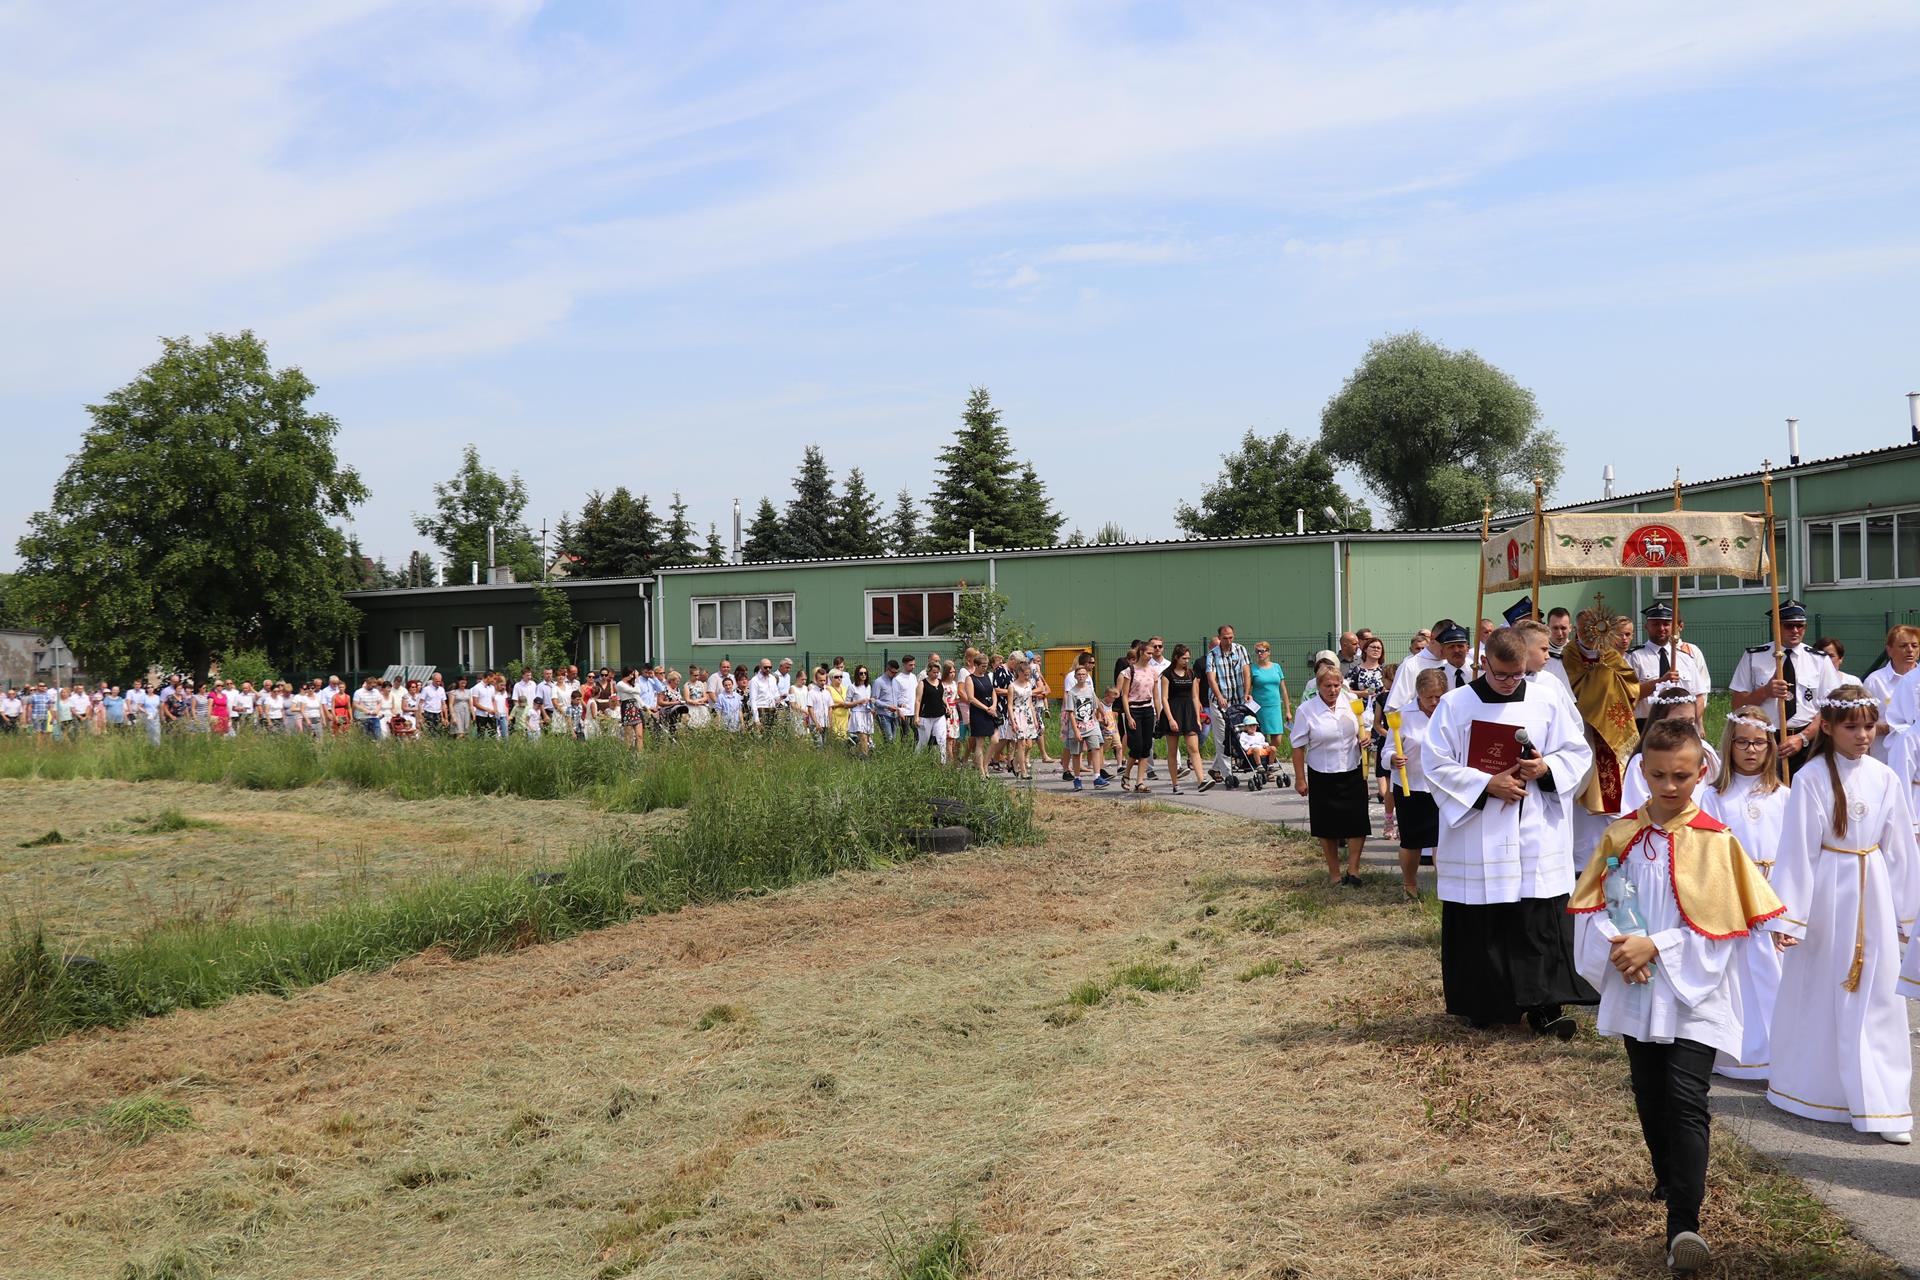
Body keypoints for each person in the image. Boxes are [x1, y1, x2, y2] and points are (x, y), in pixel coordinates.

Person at [1568, 717, 1785, 1273]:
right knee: (1649, 1091)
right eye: (1659, 775)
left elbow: (1725, 927)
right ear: (1643, 771)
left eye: (1681, 776)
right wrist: (1622, 948)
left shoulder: (1717, 842)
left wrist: (1656, 946)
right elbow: (1594, 907)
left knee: (1687, 1099)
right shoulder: (1620, 836)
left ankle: (1683, 1225)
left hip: (1695, 989)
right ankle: (1668, 1177)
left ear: (1701, 772)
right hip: (1634, 983)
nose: (1670, 785)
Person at [1764, 685, 1920, 1143]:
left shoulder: (1885, 777)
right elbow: (1797, 850)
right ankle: (1815, 1090)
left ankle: (1883, 1101)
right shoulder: (1811, 778)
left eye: (1869, 726)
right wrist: (1790, 918)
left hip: (1874, 895)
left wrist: (1909, 916)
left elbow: (1900, 849)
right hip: (1828, 898)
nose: (1863, 735)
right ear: (1828, 728)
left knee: (1879, 995)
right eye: (1852, 727)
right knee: (1822, 989)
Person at [1425, 626, 1597, 1036]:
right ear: (1484, 662)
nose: (1509, 682)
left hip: (1535, 824)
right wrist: (1487, 784)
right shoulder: (1455, 704)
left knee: (1536, 918)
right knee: (1483, 922)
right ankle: (1484, 1004)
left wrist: (1546, 768)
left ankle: (1545, 1006)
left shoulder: (1547, 697)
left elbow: (1576, 751)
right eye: (1501, 674)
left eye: (1518, 674)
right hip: (1480, 828)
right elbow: (1435, 764)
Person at [1698, 709, 1792, 1081]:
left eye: (1758, 743)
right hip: (1734, 894)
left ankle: (1779, 1053)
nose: (1750, 750)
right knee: (1740, 979)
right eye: (1742, 742)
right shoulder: (1713, 796)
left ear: (1770, 747)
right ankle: (1739, 1054)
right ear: (1730, 745)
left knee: (1775, 976)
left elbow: (1796, 854)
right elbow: (1707, 851)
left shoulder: (1784, 796)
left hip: (1775, 895)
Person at [1561, 598, 1648, 875]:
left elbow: (1631, 685)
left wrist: (1605, 674)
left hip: (1612, 738)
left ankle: (1614, 859)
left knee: (1613, 800)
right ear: (1577, 629)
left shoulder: (1610, 654)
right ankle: (1581, 866)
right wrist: (1600, 677)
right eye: (1584, 629)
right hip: (1582, 733)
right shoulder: (1568, 655)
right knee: (1583, 801)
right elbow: (1572, 687)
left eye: (1594, 628)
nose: (1590, 634)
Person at [1729, 600, 1841, 775]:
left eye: (1800, 626)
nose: (1795, 630)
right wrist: (1765, 691)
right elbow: (1737, 705)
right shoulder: (1754, 657)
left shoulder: (1819, 660)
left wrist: (1802, 738)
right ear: (1776, 626)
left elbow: (1831, 707)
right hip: (1764, 738)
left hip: (1807, 740)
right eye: (1789, 626)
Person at [1291, 664, 1372, 885]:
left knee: (1357, 821)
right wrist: (1300, 779)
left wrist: (1365, 737)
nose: (1333, 690)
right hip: (1322, 773)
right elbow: (1297, 747)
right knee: (1326, 826)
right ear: (1318, 686)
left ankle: (1353, 870)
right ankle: (1334, 873)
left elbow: (1365, 727)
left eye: (1337, 685)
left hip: (1352, 769)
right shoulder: (1306, 710)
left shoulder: (1352, 703)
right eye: (1328, 686)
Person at [1388, 668, 1449, 902]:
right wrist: (1393, 758)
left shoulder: (1450, 712)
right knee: (1411, 840)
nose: (1434, 702)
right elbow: (1387, 749)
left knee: (1443, 841)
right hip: (1410, 787)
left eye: (1438, 696)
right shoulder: (1403, 715)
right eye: (1428, 697)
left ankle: (1445, 887)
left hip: (1443, 787)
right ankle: (1409, 885)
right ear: (1418, 694)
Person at [1620, 689, 1722, 814]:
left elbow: (1717, 788)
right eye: (1680, 721)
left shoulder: (1705, 751)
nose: (1686, 727)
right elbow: (1633, 806)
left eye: (1691, 721)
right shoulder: (1640, 760)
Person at [1628, 602, 1710, 732]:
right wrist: (1660, 681)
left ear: (1673, 626)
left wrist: (1691, 719)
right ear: (1646, 626)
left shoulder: (1685, 658)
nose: (1661, 628)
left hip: (1682, 725)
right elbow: (1629, 695)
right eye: (1656, 624)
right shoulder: (1634, 657)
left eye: (1666, 624)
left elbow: (1699, 695)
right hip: (1646, 725)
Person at [1862, 624, 1919, 760]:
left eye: (1914, 645)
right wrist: (1892, 728)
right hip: (1885, 758)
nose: (1910, 650)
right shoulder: (1875, 681)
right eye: (1903, 646)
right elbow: (1862, 723)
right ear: (1889, 650)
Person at [1159, 643, 1209, 795]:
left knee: (1194, 748)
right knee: (1173, 751)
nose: (1187, 661)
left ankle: (1201, 780)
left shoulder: (1191, 674)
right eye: (1184, 658)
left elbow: (1194, 696)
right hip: (1173, 712)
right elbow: (1164, 698)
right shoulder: (1167, 674)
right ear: (1176, 657)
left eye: (1188, 658)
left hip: (1188, 713)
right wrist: (1170, 719)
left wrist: (1197, 718)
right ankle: (1175, 784)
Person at [1208, 625, 1254, 783]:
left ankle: (1215, 768)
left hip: (1238, 700)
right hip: (1219, 702)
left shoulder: (1240, 650)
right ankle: (1228, 774)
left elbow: (1246, 672)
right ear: (1219, 638)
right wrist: (1219, 696)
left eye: (1231, 637)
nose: (1228, 641)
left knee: (1237, 734)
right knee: (1222, 737)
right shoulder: (1213, 655)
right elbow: (1211, 678)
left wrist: (1247, 692)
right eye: (1225, 638)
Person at [1118, 644, 1163, 793]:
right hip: (1133, 709)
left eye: (1152, 653)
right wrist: (1128, 716)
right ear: (1141, 652)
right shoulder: (1129, 671)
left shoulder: (1153, 672)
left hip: (1148, 710)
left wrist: (1159, 715)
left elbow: (1156, 696)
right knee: (1136, 746)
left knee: (1146, 747)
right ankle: (1126, 775)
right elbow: (1124, 695)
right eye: (1148, 653)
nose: (1151, 655)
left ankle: (1140, 782)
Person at [1061, 655, 1109, 791]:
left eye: (1083, 674)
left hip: (1091, 724)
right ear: (1075, 677)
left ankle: (1097, 777)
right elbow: (1070, 713)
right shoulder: (1072, 693)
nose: (1081, 676)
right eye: (1079, 674)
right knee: (1076, 753)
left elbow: (1096, 704)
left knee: (1096, 748)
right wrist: (1076, 730)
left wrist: (1103, 715)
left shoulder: (1089, 689)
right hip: (1078, 725)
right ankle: (1077, 779)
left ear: (1086, 676)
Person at [1003, 657, 1040, 780]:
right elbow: (1009, 705)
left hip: (1027, 714)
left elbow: (1030, 703)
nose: (1027, 676)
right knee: (1021, 744)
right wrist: (1013, 721)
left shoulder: (1028, 684)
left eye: (1029, 674)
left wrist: (1035, 719)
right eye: (1025, 674)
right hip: (1017, 714)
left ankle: (1014, 762)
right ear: (1019, 673)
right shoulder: (1012, 686)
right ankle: (1023, 771)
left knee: (1029, 744)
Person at [918, 655, 954, 758]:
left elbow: (942, 696)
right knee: (923, 741)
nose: (936, 674)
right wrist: (916, 716)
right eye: (934, 672)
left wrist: (947, 706)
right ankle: (917, 760)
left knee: (941, 739)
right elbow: (918, 700)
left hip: (939, 715)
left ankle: (942, 761)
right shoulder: (923, 683)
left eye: (937, 672)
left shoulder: (940, 683)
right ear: (928, 672)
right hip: (926, 716)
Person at [847, 666, 874, 755]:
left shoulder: (868, 686)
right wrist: (859, 701)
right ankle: (865, 757)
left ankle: (858, 754)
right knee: (863, 737)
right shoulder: (852, 687)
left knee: (868, 738)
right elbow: (846, 704)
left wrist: (871, 702)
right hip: (857, 713)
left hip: (867, 713)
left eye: (865, 673)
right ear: (857, 674)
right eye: (861, 673)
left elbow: (869, 700)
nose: (863, 675)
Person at [873, 661, 901, 743]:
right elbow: (874, 700)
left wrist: (901, 704)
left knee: (894, 740)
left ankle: (889, 750)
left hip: (895, 715)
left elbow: (898, 696)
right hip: (884, 715)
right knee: (889, 739)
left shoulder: (896, 682)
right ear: (887, 669)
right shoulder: (878, 682)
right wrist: (887, 706)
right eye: (893, 672)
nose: (894, 674)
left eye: (896, 672)